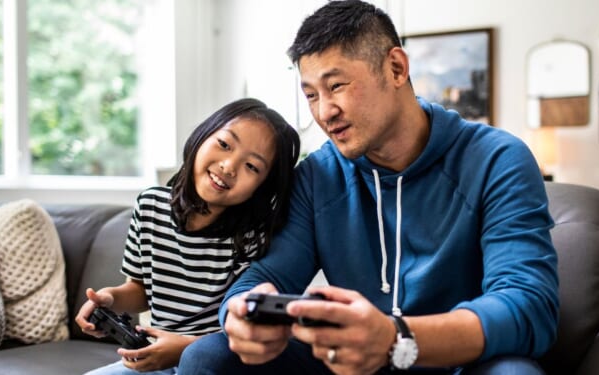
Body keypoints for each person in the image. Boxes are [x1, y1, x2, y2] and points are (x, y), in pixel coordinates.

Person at [179, 0, 559, 374]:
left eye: (337, 85)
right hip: (349, 364)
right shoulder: (316, 175)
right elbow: (268, 276)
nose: (324, 112)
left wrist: (396, 338)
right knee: (209, 356)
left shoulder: (498, 159)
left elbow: (528, 305)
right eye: (311, 94)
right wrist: (244, 310)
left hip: (458, 363)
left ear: (395, 68)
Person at [75, 98, 301, 375]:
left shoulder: (252, 235)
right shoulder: (150, 206)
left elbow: (244, 327)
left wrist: (185, 348)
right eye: (224, 144)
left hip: (215, 361)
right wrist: (109, 298)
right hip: (155, 355)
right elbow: (139, 290)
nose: (229, 167)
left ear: (262, 187)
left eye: (252, 166)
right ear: (202, 136)